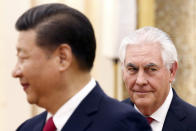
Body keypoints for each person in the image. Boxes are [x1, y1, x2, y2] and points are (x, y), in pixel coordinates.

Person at [12, 3, 152, 131]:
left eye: (23, 58)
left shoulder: (122, 124)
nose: (15, 72)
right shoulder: (27, 128)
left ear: (62, 58)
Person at [119, 26, 196, 131]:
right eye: (132, 69)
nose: (140, 81)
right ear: (123, 71)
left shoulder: (193, 122)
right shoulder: (108, 120)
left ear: (172, 71)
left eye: (151, 69)